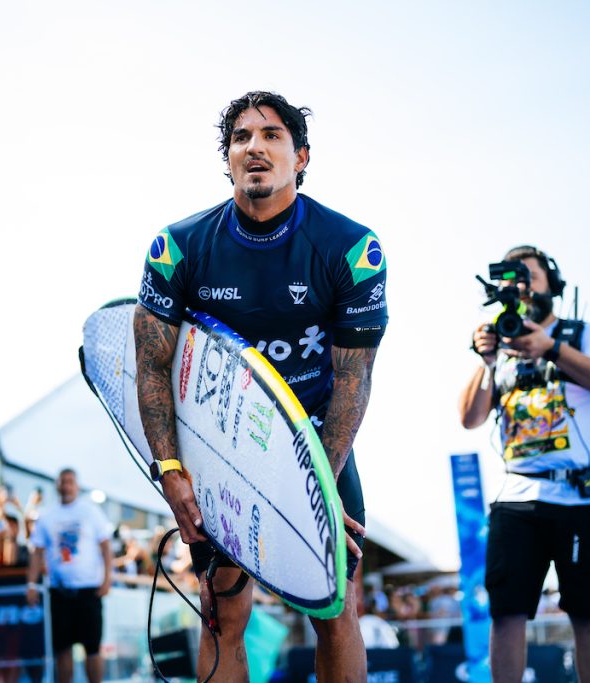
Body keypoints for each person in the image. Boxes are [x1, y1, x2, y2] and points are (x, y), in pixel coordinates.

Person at [134, 91, 388, 680]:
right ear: (226, 158)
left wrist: (319, 486)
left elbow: (354, 375)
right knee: (220, 608)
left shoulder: (350, 247)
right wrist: (170, 471)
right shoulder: (178, 247)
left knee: (336, 608)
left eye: (272, 135)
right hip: (222, 449)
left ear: (301, 156)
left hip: (319, 439)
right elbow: (150, 367)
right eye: (242, 137)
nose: (256, 146)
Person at [459, 245, 590, 683]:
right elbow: (469, 419)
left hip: (580, 496)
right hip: (517, 496)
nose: (519, 286)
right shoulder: (502, 342)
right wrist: (487, 362)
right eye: (511, 279)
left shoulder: (581, 333)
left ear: (552, 284)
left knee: (588, 610)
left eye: (528, 276)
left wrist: (551, 347)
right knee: (506, 611)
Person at [26, 468, 113, 683]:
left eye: (70, 481)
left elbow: (105, 546)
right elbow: (37, 552)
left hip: (88, 590)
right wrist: (31, 584)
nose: (66, 485)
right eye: (62, 481)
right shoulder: (47, 515)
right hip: (60, 592)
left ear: (77, 486)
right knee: (62, 648)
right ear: (57, 485)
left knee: (92, 647)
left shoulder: (90, 512)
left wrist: (107, 578)